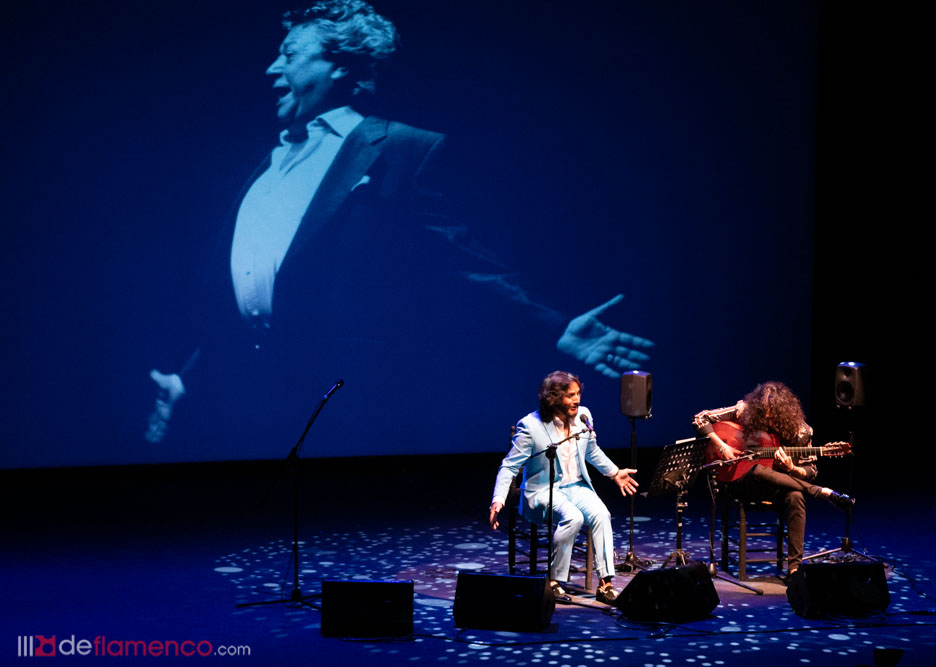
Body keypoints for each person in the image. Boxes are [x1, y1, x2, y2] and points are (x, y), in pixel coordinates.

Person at [144, 0, 654, 448]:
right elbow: (240, 287)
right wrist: (190, 377)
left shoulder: (403, 148)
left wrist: (556, 326)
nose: (271, 67)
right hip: (252, 397)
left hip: (345, 398)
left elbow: (463, 261)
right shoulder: (267, 162)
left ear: (341, 66)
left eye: (290, 53)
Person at [489, 371, 638, 604]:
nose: (577, 400)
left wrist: (614, 473)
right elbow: (509, 466)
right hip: (542, 489)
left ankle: (606, 583)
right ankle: (554, 580)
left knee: (601, 514)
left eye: (578, 394)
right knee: (573, 517)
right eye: (570, 396)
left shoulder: (583, 417)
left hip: (576, 486)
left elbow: (591, 451)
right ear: (554, 398)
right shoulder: (530, 426)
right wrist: (498, 499)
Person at [693, 381, 854, 576]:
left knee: (795, 496)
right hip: (740, 481)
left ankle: (794, 569)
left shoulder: (801, 431)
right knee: (757, 468)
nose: (767, 418)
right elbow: (701, 418)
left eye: (772, 416)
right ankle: (821, 492)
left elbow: (811, 471)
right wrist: (721, 445)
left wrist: (792, 468)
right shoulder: (744, 410)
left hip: (780, 484)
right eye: (763, 414)